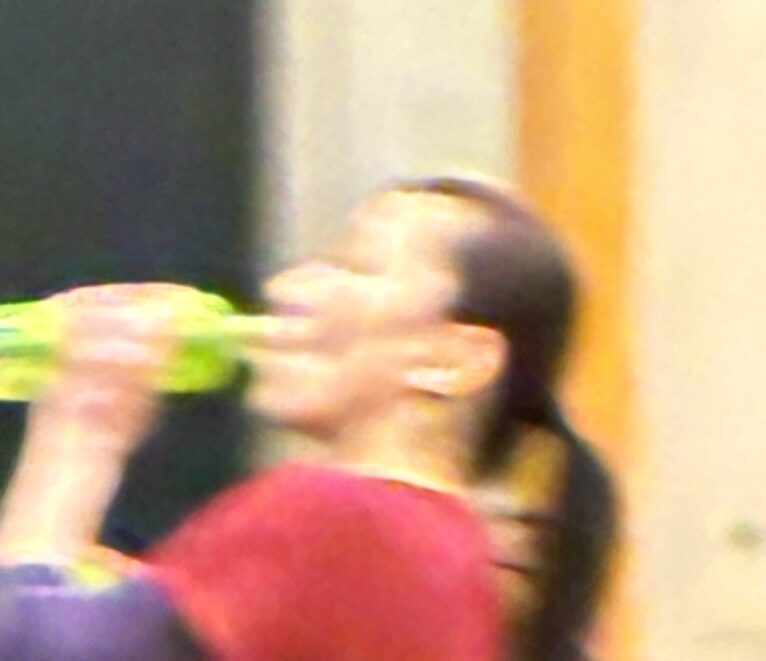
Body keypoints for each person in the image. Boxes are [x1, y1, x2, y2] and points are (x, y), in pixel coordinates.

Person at [0, 177, 616, 660]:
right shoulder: (449, 555)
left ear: (448, 361)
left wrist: (80, 429)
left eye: (354, 266)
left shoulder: (338, 517)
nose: (289, 287)